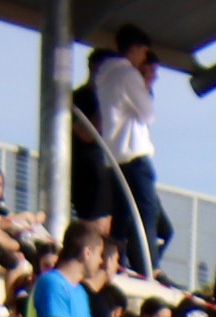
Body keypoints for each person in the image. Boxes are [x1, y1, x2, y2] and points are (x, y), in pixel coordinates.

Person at [87, 20, 165, 269]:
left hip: (114, 155)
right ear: (135, 49)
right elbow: (148, 112)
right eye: (143, 52)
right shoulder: (128, 74)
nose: (144, 59)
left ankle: (112, 260)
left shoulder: (104, 75)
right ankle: (146, 267)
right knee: (145, 215)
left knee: (121, 217)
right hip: (134, 153)